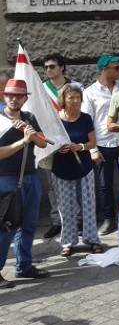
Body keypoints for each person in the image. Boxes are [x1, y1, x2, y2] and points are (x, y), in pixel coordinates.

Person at [0, 79, 49, 288]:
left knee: (29, 224)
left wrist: (30, 133)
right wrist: (23, 141)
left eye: (18, 95)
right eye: (10, 95)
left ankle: (24, 266)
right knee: (6, 226)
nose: (13, 98)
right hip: (6, 180)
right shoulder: (1, 121)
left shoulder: (29, 117)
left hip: (30, 176)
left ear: (24, 98)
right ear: (4, 96)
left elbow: (43, 142)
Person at [51, 84, 103, 256]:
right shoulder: (55, 119)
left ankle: (92, 240)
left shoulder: (86, 118)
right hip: (61, 168)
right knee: (66, 208)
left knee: (88, 205)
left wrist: (79, 146)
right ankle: (67, 242)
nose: (75, 101)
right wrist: (58, 148)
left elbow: (92, 143)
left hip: (84, 167)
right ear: (63, 100)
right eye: (71, 97)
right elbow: (47, 142)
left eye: (78, 98)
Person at [81, 54, 119, 236]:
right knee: (105, 185)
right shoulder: (90, 93)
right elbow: (86, 122)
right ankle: (109, 219)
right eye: (117, 68)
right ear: (105, 69)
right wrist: (93, 149)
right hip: (103, 143)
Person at [41, 53, 82, 240]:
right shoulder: (41, 89)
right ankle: (57, 221)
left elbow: (84, 112)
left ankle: (79, 220)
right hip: (51, 143)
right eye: (46, 67)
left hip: (73, 139)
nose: (48, 70)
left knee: (77, 182)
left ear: (62, 67)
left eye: (52, 66)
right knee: (52, 185)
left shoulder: (75, 87)